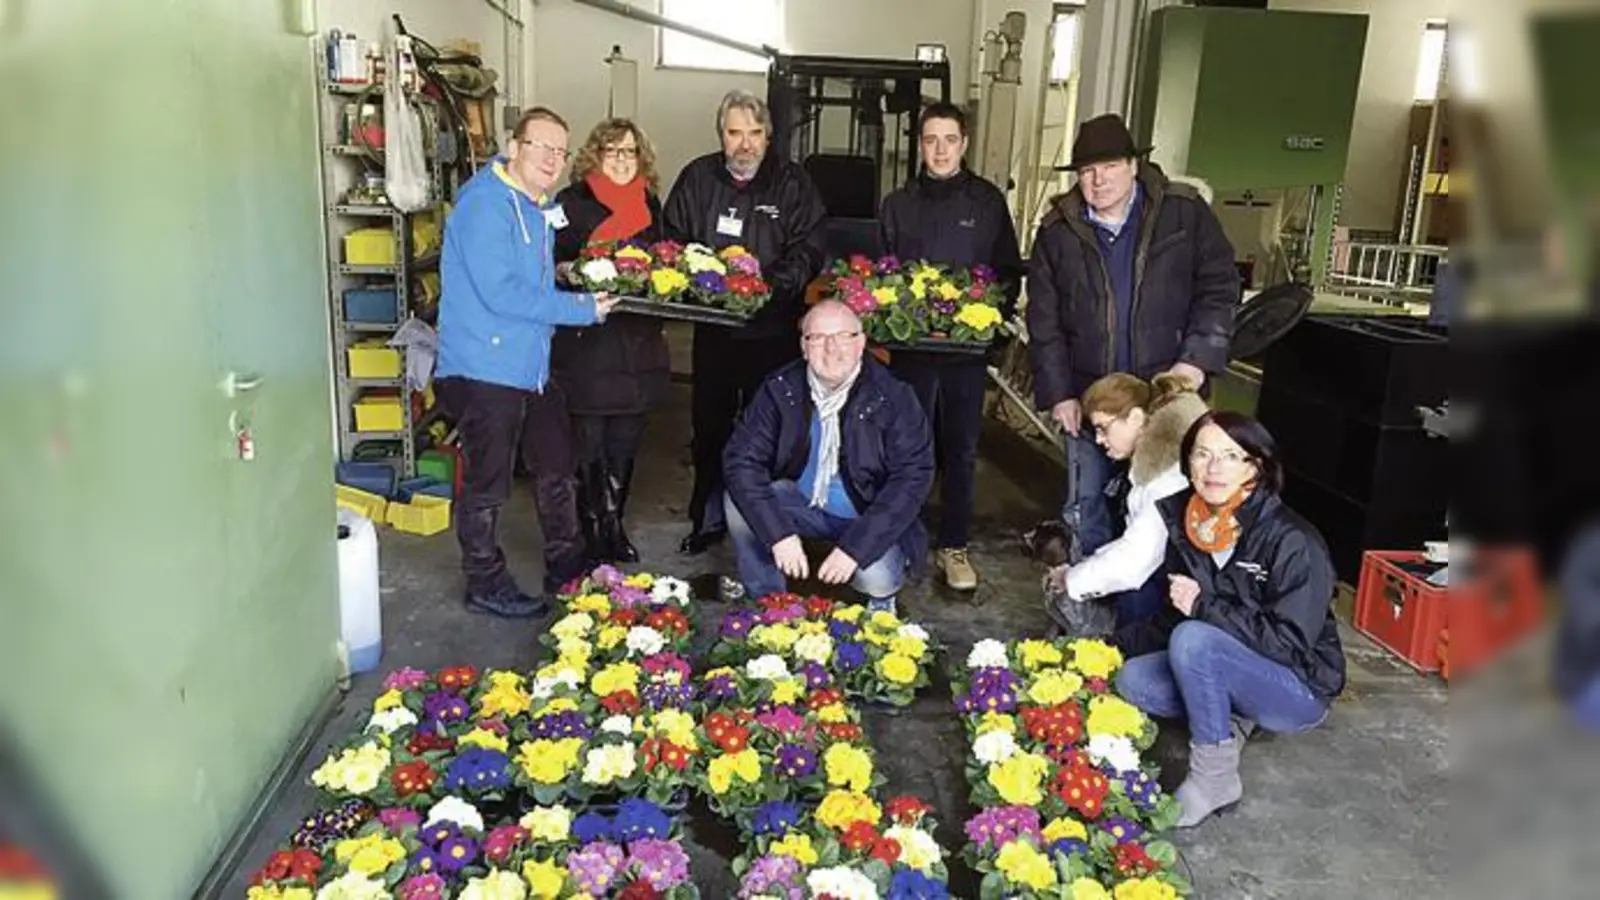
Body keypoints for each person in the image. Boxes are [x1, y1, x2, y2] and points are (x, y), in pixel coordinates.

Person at [1026, 113, 1239, 564]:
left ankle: (1160, 614)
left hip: (1167, 395)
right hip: (1091, 399)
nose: (1097, 180)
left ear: (1133, 165)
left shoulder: (1183, 213)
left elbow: (1219, 288)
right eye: (1086, 171)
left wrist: (1195, 361)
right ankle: (1088, 613)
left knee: (1169, 507)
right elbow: (1044, 322)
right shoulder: (1056, 232)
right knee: (1087, 507)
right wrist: (1060, 393)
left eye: (1109, 166)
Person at [1114, 411, 1346, 827]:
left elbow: (1290, 645)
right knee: (1135, 680)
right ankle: (1234, 717)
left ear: (1256, 467)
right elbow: (1174, 616)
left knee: (1195, 640)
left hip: (1298, 686)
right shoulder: (1189, 525)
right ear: (1188, 463)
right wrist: (1108, 648)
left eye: (1230, 456)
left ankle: (1214, 780)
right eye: (1202, 454)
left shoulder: (1293, 540)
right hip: (1232, 661)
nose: (1213, 467)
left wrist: (1204, 607)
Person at [433, 107, 620, 618]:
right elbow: (501, 293)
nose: (553, 159)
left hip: (531, 367)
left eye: (561, 151)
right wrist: (582, 307)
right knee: (488, 483)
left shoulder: (534, 202)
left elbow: (524, 277)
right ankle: (484, 580)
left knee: (558, 466)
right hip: (482, 368)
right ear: (515, 147)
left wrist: (561, 271)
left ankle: (567, 570)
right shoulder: (485, 206)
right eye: (542, 147)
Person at [663, 89, 829, 556]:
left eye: (755, 133)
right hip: (713, 330)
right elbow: (672, 241)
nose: (745, 144)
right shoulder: (697, 178)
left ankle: (764, 522)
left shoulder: (793, 184)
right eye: (735, 133)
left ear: (768, 136)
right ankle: (707, 518)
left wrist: (766, 287)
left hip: (772, 331)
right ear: (721, 135)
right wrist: (708, 280)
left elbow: (811, 248)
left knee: (770, 431)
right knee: (710, 426)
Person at [879, 101, 1024, 592]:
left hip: (964, 355)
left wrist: (986, 319)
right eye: (930, 140)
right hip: (912, 352)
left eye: (949, 140)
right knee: (906, 448)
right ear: (919, 145)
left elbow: (1007, 272)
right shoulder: (898, 203)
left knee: (960, 451)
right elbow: (883, 277)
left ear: (963, 144)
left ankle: (954, 546)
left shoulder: (986, 204)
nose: (939, 150)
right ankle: (904, 540)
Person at [721, 300, 934, 614]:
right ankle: (767, 601)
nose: (831, 348)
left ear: (860, 343)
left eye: (843, 336)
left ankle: (881, 602)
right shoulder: (780, 388)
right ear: (804, 347)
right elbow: (741, 461)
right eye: (818, 337)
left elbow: (912, 478)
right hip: (804, 503)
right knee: (737, 501)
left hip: (866, 511)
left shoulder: (894, 397)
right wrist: (778, 535)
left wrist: (854, 550)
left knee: (876, 577)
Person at [548, 118, 672, 565]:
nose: (621, 160)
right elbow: (553, 257)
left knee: (626, 444)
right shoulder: (570, 202)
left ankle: (613, 525)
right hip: (588, 346)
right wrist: (569, 270)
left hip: (638, 347)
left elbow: (665, 259)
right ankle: (590, 531)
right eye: (612, 151)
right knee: (588, 449)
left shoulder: (651, 204)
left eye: (630, 151)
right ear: (594, 156)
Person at [1043, 372, 1208, 633]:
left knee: (1136, 596)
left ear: (1135, 417)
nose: (1098, 439)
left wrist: (1071, 579)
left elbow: (1135, 562)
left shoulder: (1167, 475)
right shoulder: (1161, 460)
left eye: (1103, 428)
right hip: (1182, 585)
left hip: (1187, 600)